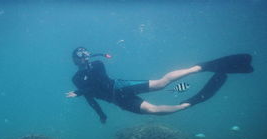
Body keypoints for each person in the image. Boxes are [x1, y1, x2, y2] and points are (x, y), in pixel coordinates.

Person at [66, 47, 253, 124]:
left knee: (161, 84)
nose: (84, 57)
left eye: (86, 53)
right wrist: (101, 114)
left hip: (121, 87)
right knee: (154, 111)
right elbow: (91, 98)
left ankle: (201, 67)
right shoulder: (76, 79)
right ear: (74, 60)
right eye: (80, 55)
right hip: (117, 101)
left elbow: (98, 82)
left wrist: (80, 91)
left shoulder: (98, 64)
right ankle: (188, 103)